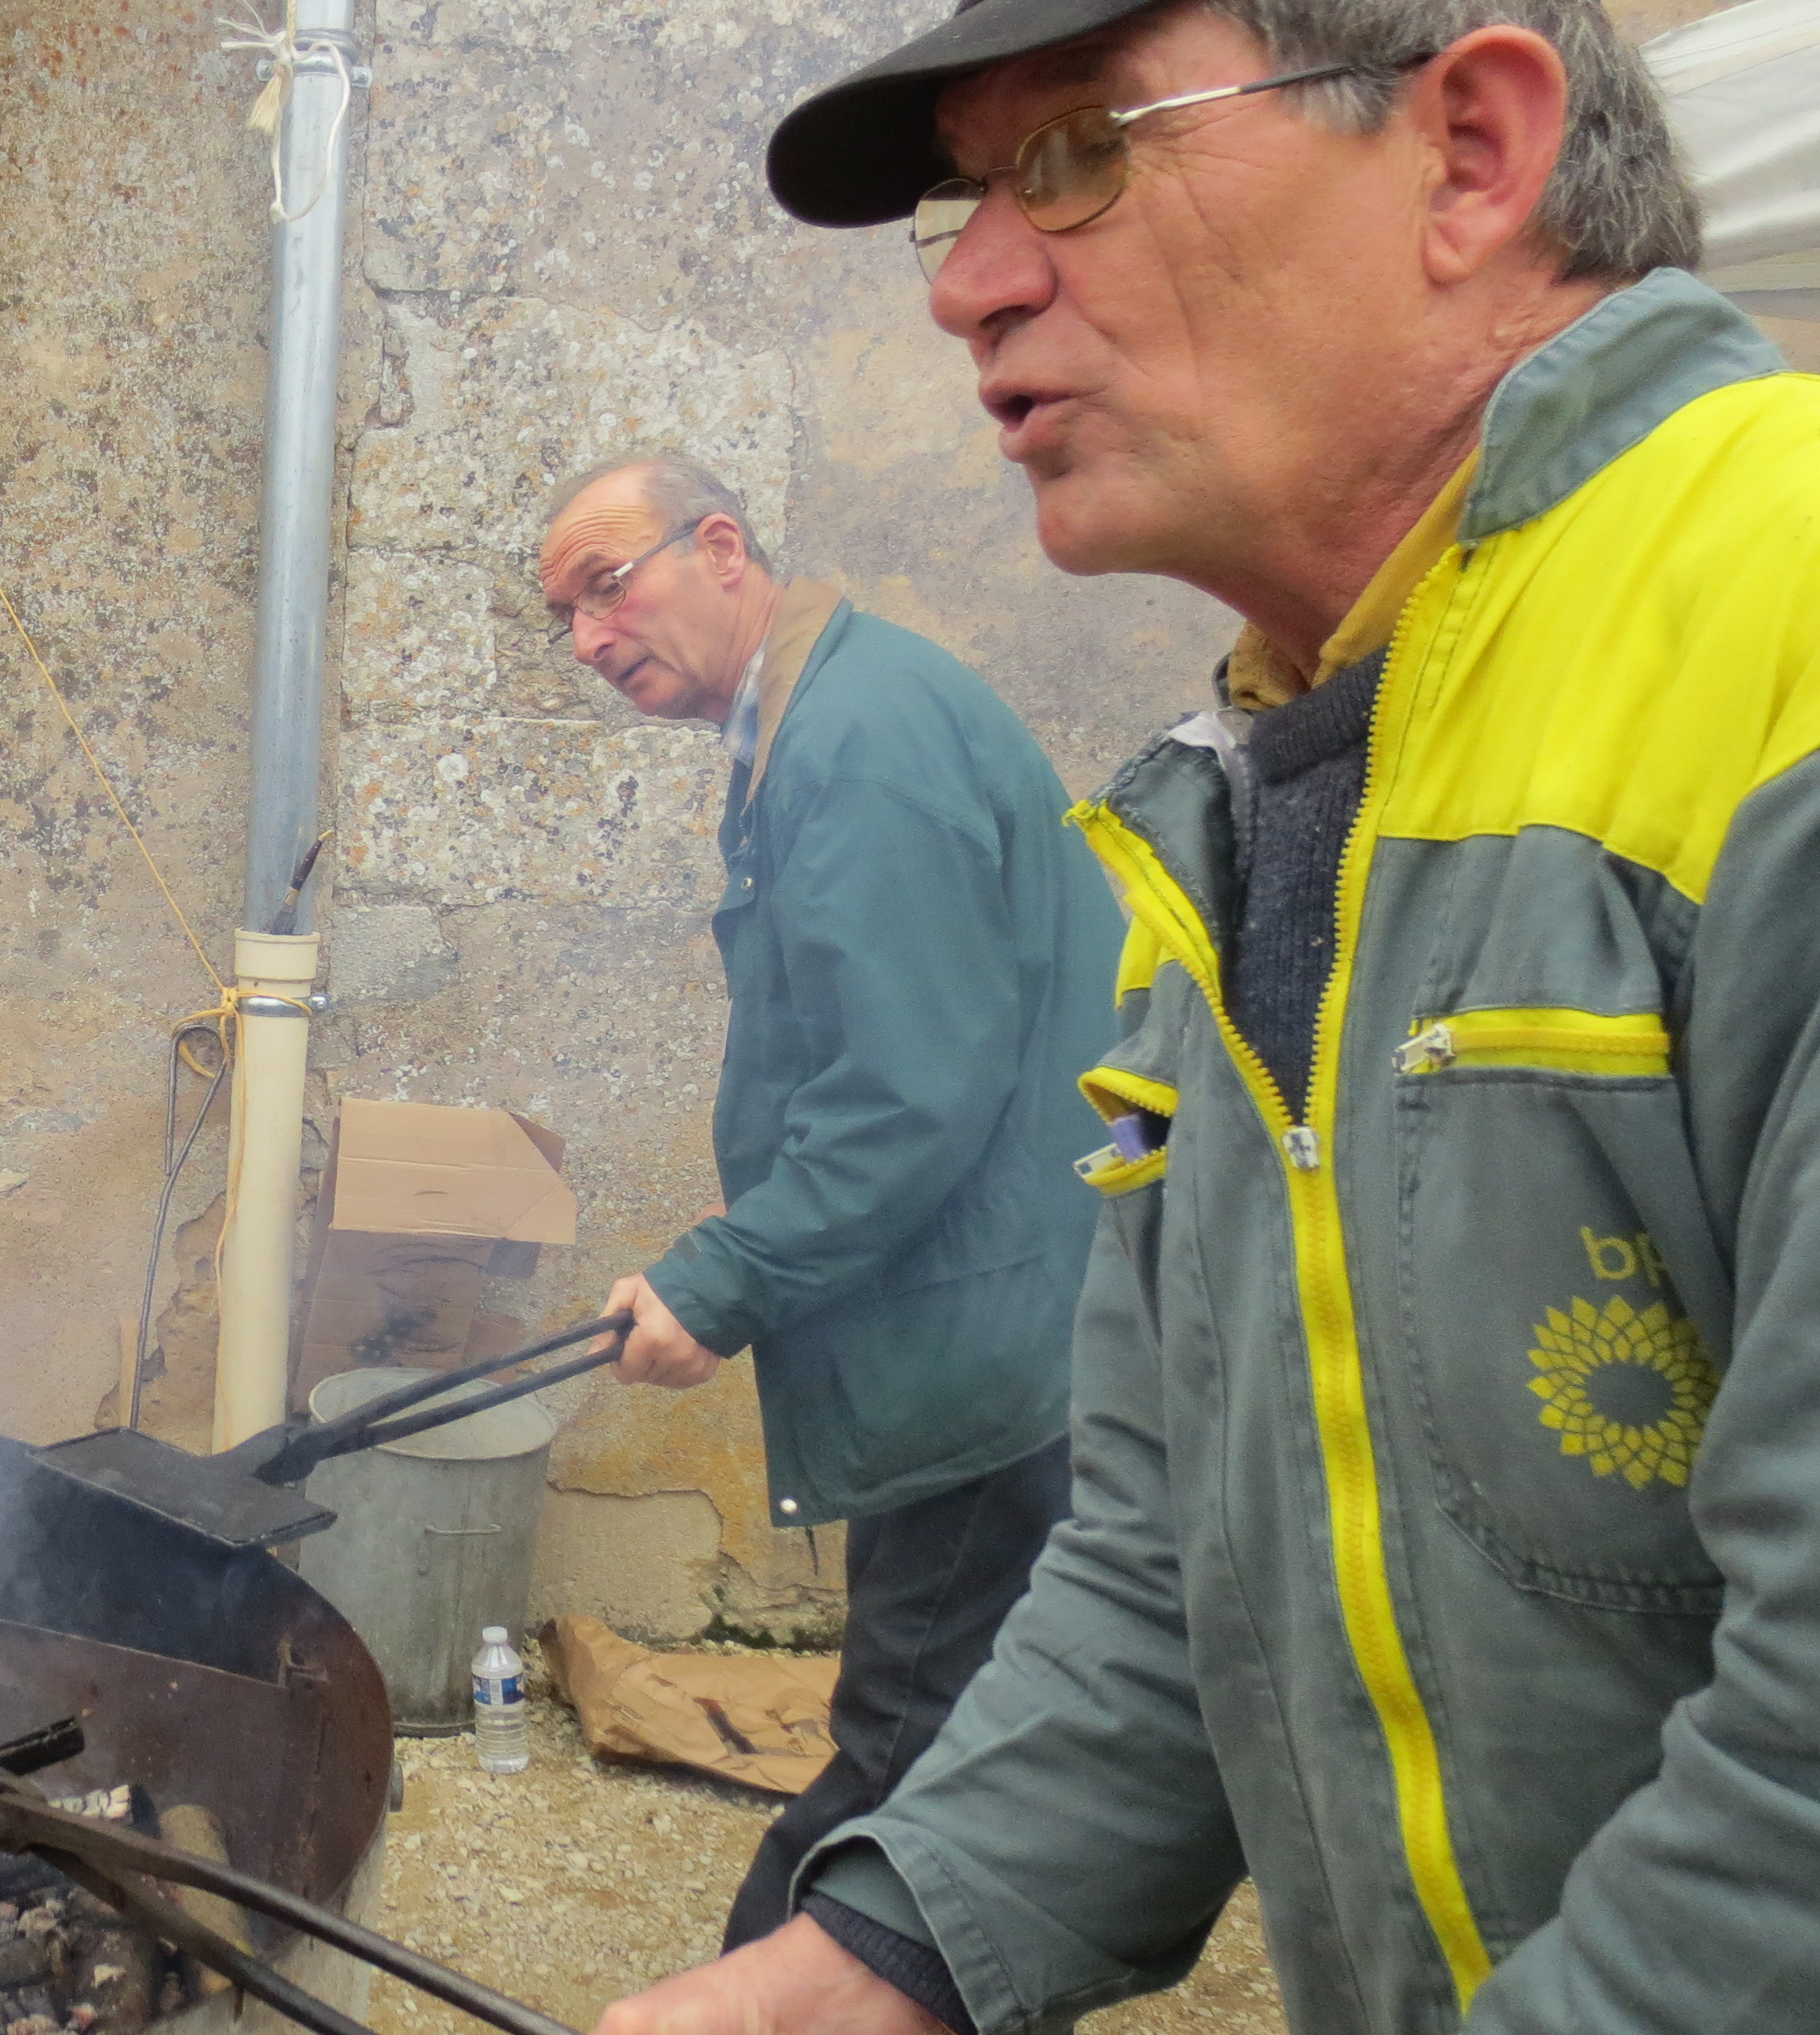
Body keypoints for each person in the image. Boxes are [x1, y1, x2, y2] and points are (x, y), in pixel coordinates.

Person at [603, 1, 1820, 2031]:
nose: (973, 286)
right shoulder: (1239, 810)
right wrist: (880, 1958)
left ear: (1473, 152)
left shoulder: (1777, 653)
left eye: (1077, 154)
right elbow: (1186, 1577)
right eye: (957, 201)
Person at [543, 454, 1120, 1951]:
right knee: (968, 1741)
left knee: (898, 1759)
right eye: (566, 619)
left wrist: (723, 1279)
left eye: (610, 587)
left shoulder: (858, 739)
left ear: (721, 546)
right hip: (995, 1316)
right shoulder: (818, 718)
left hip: (991, 1341)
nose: (593, 640)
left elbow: (908, 1089)